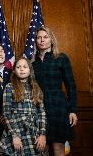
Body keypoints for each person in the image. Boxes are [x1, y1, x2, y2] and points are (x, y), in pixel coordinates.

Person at [32, 26, 78, 156]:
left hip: (58, 107)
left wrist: (73, 110)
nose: (42, 40)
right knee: (42, 150)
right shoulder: (33, 63)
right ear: (35, 41)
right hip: (39, 108)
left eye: (45, 37)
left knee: (58, 150)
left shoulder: (61, 58)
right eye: (39, 37)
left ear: (51, 40)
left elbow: (71, 86)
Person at [0, 57, 47, 156]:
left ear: (30, 70)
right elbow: (7, 113)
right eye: (18, 67)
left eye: (25, 67)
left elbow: (42, 112)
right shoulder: (10, 87)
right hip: (17, 130)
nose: (22, 69)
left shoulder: (36, 87)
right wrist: (14, 136)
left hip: (34, 132)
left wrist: (42, 134)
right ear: (14, 70)